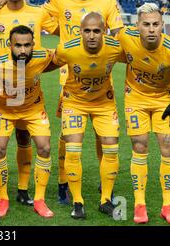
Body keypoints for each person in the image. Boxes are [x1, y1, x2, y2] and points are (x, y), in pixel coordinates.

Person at [42, 0, 124, 204]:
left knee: (104, 134)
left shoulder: (107, 3)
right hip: (69, 76)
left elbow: (119, 34)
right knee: (67, 136)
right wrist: (64, 32)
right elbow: (39, 18)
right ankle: (63, 183)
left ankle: (104, 180)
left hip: (100, 76)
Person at [0, 0, 58, 206]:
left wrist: (39, 65)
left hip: (29, 85)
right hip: (2, 86)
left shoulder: (38, 13)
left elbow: (63, 30)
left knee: (25, 137)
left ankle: (24, 189)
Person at [116, 3, 170, 225]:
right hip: (135, 99)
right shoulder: (125, 37)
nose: (151, 29)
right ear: (138, 26)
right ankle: (140, 205)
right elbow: (106, 49)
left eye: (155, 24)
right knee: (139, 146)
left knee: (169, 147)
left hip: (164, 100)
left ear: (162, 26)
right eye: (146, 24)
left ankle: (168, 206)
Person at [52, 12, 124, 219]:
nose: (92, 35)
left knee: (111, 149)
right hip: (75, 102)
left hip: (104, 103)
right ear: (80, 31)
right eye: (87, 31)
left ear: (104, 31)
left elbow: (135, 57)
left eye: (96, 31)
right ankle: (77, 202)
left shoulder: (116, 47)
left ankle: (106, 200)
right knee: (73, 151)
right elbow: (49, 63)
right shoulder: (67, 48)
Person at [0, 25, 55, 218]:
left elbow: (59, 59)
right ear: (10, 45)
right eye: (18, 45)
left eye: (27, 45)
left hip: (34, 109)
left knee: (44, 148)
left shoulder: (43, 56)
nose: (23, 50)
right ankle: (2, 199)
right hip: (4, 109)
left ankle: (39, 200)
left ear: (33, 44)